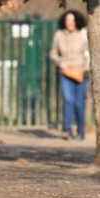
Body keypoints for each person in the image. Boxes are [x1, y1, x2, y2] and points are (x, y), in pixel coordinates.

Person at [50, 9, 90, 140]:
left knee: (79, 102)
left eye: (72, 20)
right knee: (68, 100)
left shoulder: (83, 34)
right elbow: (53, 54)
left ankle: (80, 131)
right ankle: (66, 129)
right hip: (66, 72)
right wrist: (60, 63)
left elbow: (89, 53)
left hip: (81, 72)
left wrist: (85, 68)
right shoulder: (59, 35)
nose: (70, 23)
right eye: (67, 20)